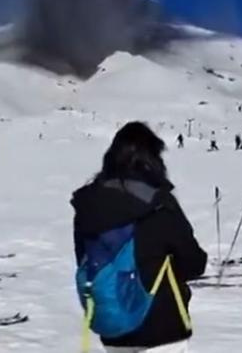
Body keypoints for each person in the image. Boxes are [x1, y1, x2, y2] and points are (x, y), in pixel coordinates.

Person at [72, 121, 207, 353]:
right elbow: (193, 263)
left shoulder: (89, 205)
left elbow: (85, 259)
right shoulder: (159, 205)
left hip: (113, 325)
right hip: (162, 327)